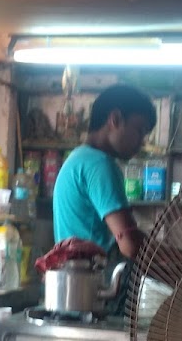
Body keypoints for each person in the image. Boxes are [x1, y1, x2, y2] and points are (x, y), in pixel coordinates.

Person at [53, 83, 156, 260]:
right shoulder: (100, 164)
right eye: (139, 131)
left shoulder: (77, 158)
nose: (141, 142)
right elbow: (130, 245)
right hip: (94, 282)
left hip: (75, 277)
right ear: (115, 119)